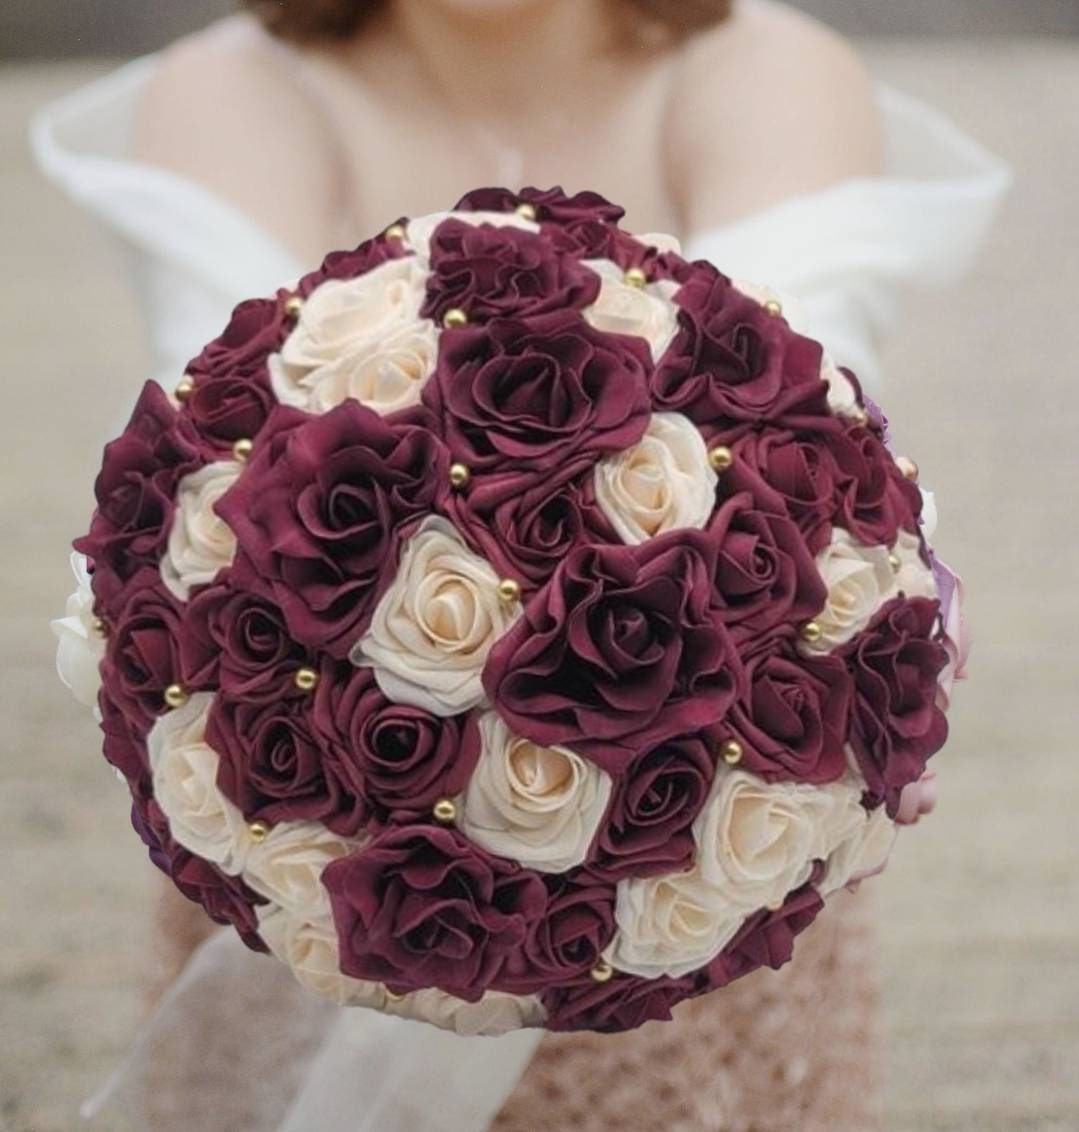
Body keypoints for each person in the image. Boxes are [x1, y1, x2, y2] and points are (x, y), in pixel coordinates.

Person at [33, 1, 1009, 1128]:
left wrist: (878, 621)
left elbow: (806, 395)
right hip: (318, 855)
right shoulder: (239, 89)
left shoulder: (756, 70)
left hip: (689, 886)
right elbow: (213, 469)